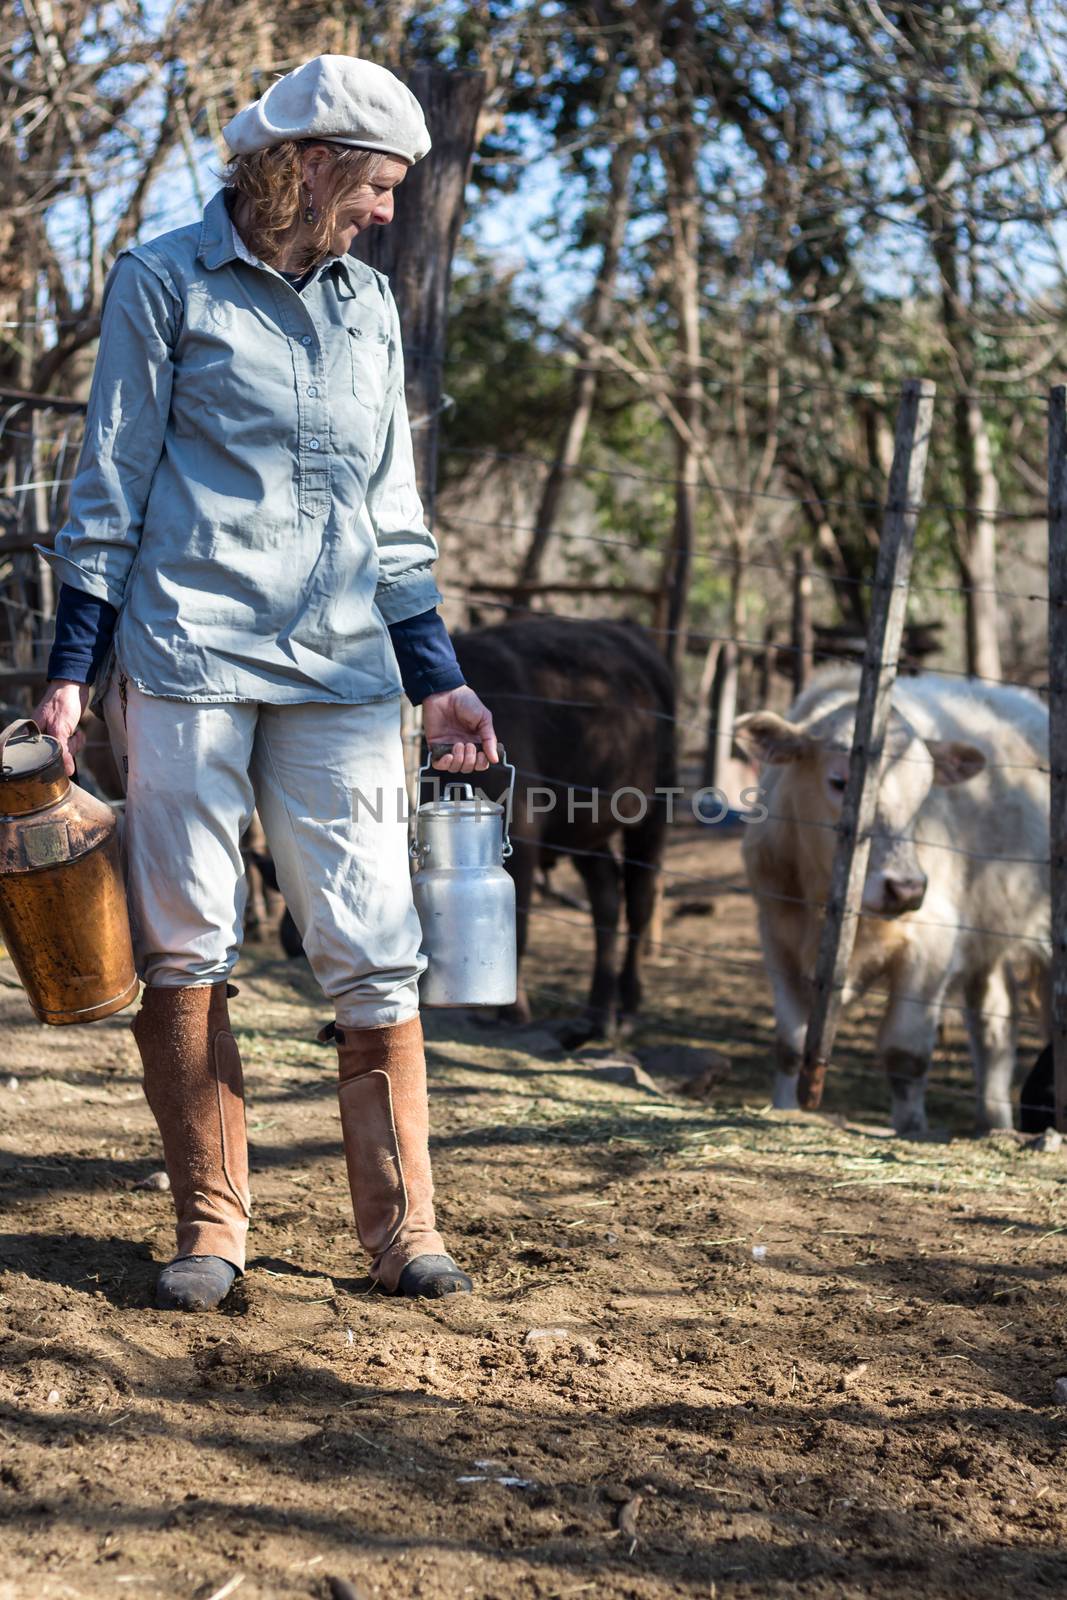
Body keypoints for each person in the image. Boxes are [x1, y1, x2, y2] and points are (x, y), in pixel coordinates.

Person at [31, 55, 498, 1312]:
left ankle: (402, 1232)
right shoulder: (161, 279)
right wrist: (74, 668)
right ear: (304, 165)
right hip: (187, 654)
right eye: (378, 185)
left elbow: (392, 510)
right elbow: (113, 481)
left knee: (371, 942)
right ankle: (211, 1226)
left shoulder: (366, 306)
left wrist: (436, 677)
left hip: (345, 670)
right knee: (187, 941)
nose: (390, 212)